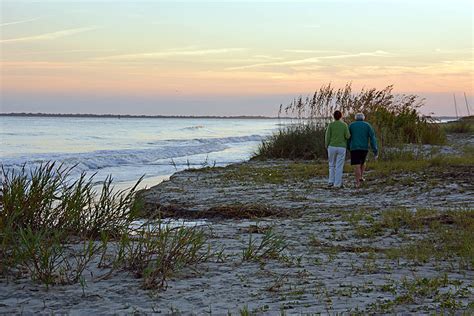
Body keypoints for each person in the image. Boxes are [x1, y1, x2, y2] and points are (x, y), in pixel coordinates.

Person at [348, 113, 378, 188]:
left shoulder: (351, 125)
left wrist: (348, 147)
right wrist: (375, 149)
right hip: (364, 148)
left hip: (354, 148)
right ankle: (361, 176)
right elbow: (372, 138)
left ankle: (358, 182)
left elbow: (348, 137)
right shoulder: (367, 125)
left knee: (357, 165)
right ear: (363, 118)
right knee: (363, 162)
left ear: (355, 118)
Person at [325, 110, 350, 188]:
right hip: (341, 147)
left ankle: (330, 181)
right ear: (341, 116)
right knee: (339, 165)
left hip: (332, 146)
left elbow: (327, 136)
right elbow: (348, 136)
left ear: (334, 116)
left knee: (331, 164)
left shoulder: (331, 125)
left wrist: (326, 145)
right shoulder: (344, 125)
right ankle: (337, 184)